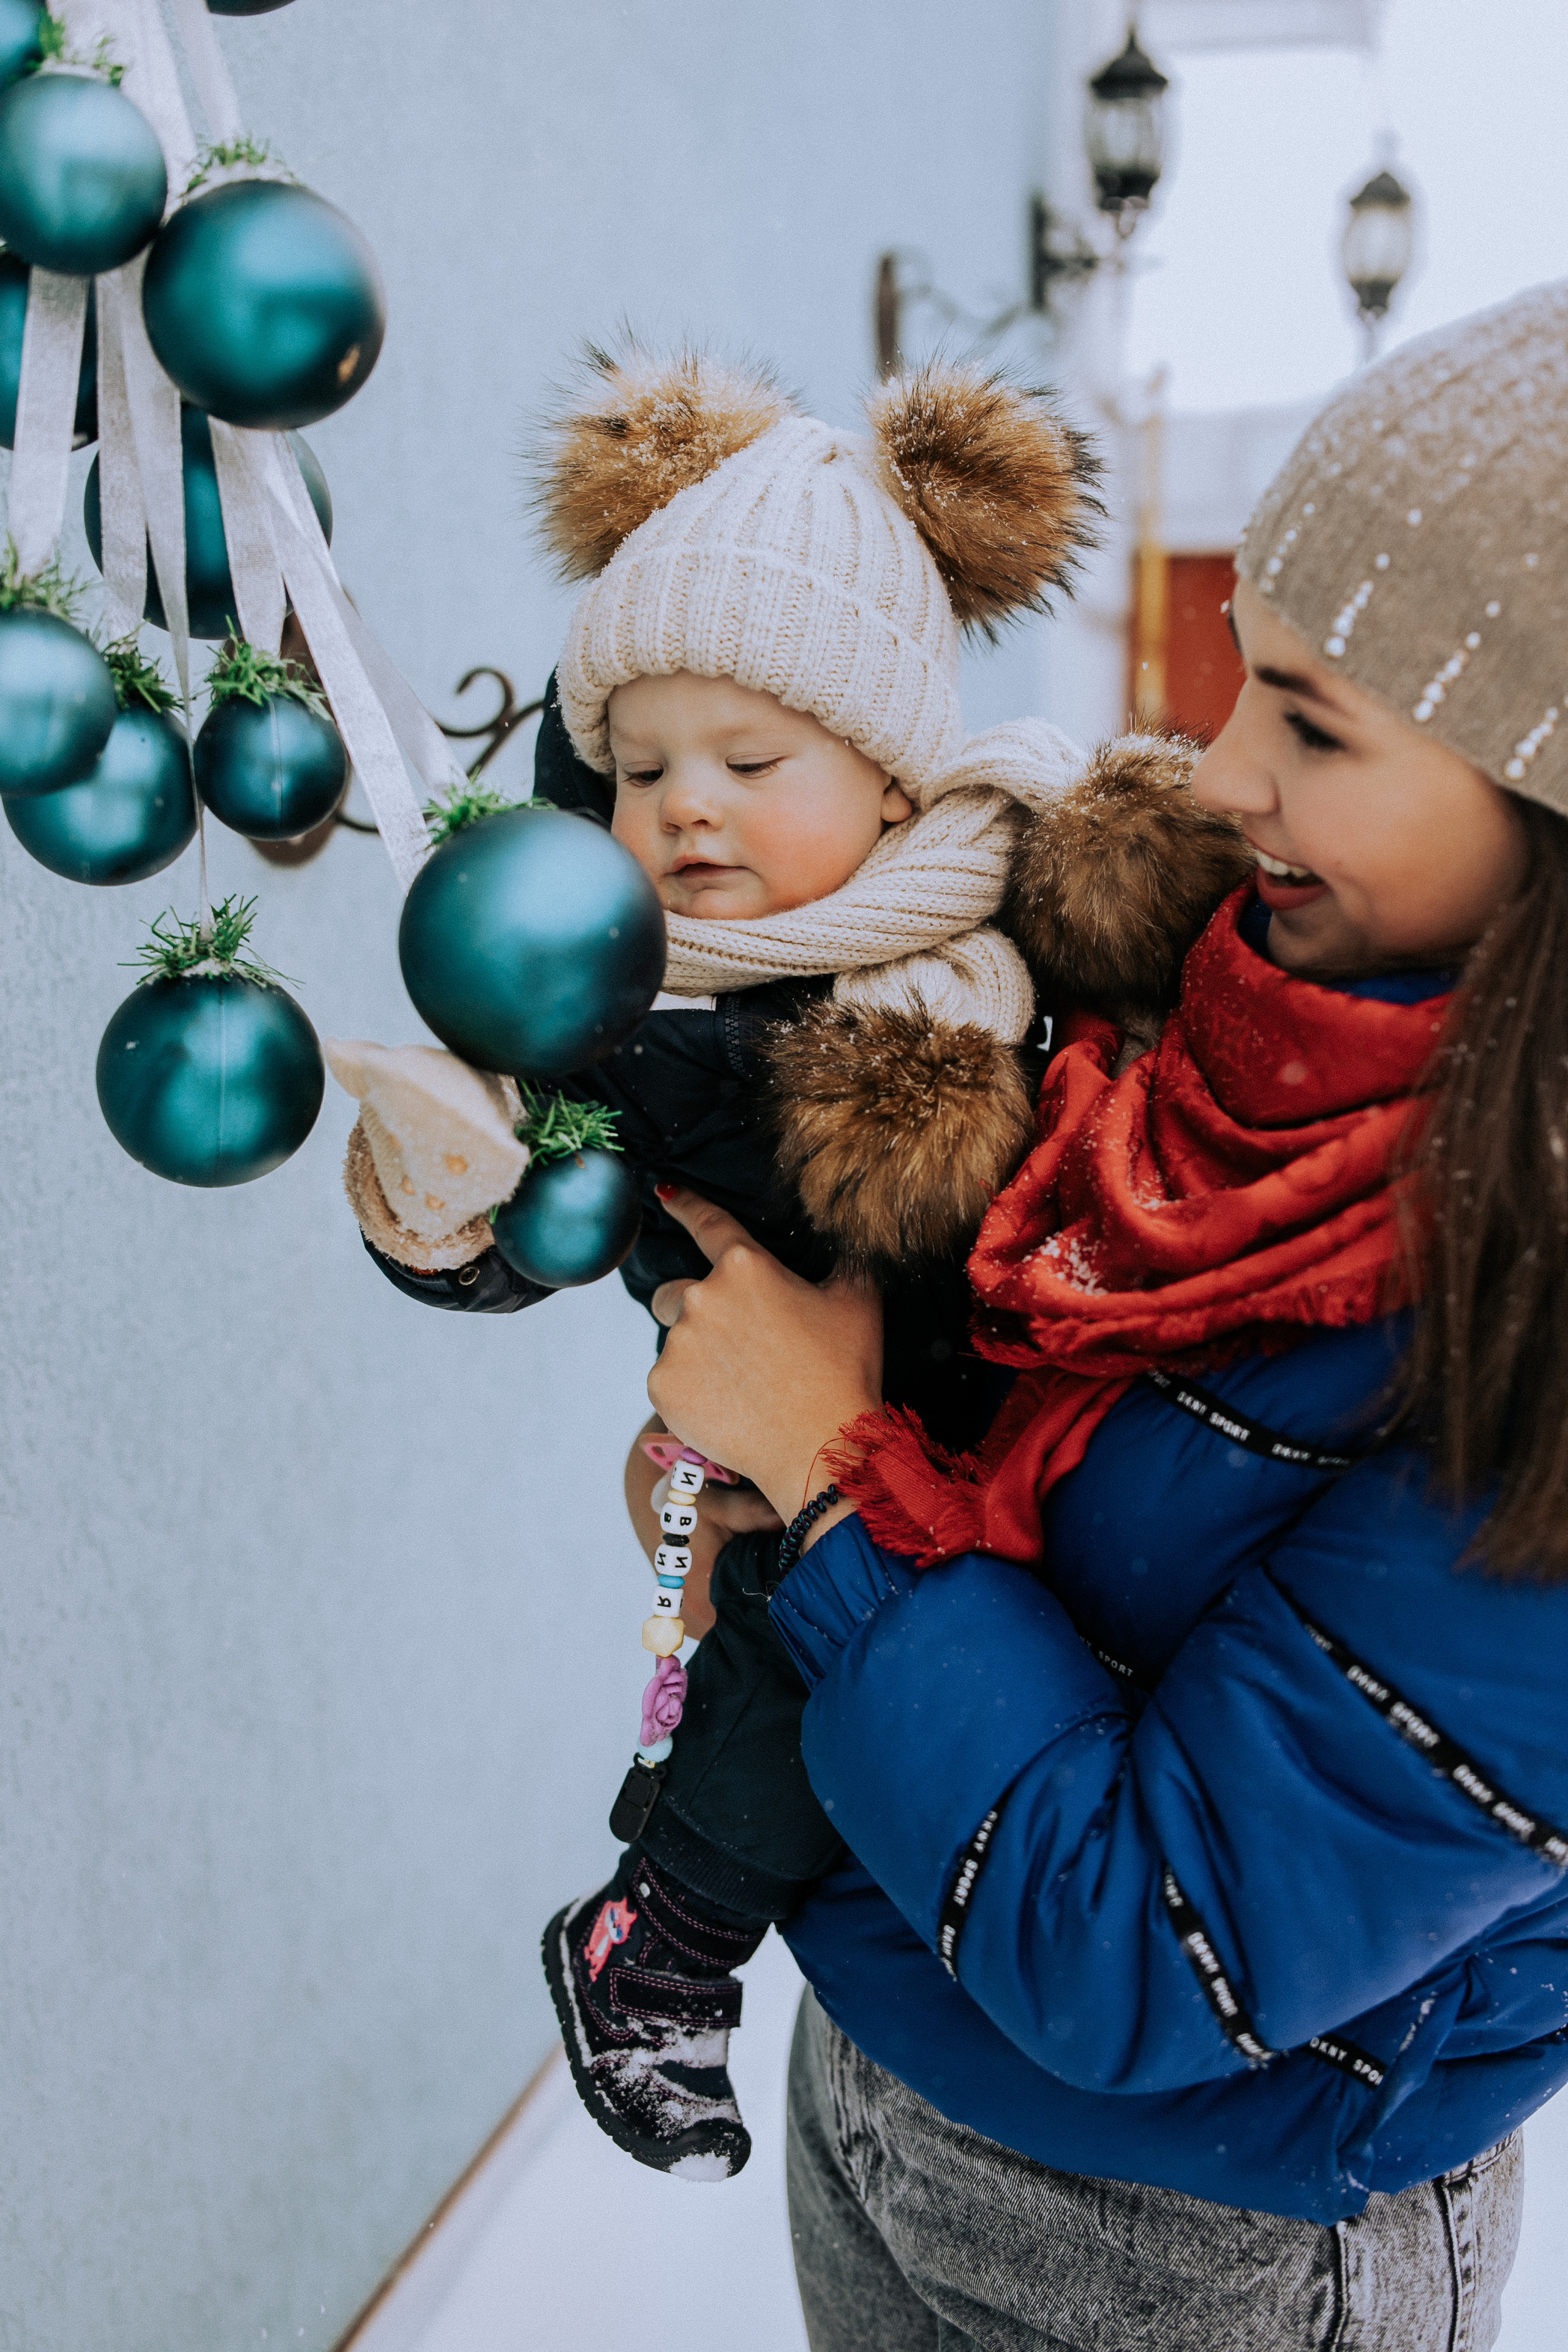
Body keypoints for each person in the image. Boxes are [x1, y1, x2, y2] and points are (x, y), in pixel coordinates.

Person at [643, 282, 1568, 2347]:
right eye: (1246, 676)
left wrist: (835, 1478)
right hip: (890, 2045)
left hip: (1202, 2242)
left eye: (1315, 724)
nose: (1219, 771)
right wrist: (766, 1485)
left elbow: (1150, 1941)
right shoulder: (1221, 1034)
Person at [334, 350, 1249, 2175]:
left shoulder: (996, 917)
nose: (687, 807)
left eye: (751, 763)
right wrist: (439, 1213)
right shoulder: (628, 1013)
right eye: (644, 768)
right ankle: (660, 1942)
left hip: (1021, 1447)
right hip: (806, 1475)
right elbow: (539, 1215)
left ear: (897, 791)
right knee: (787, 1664)